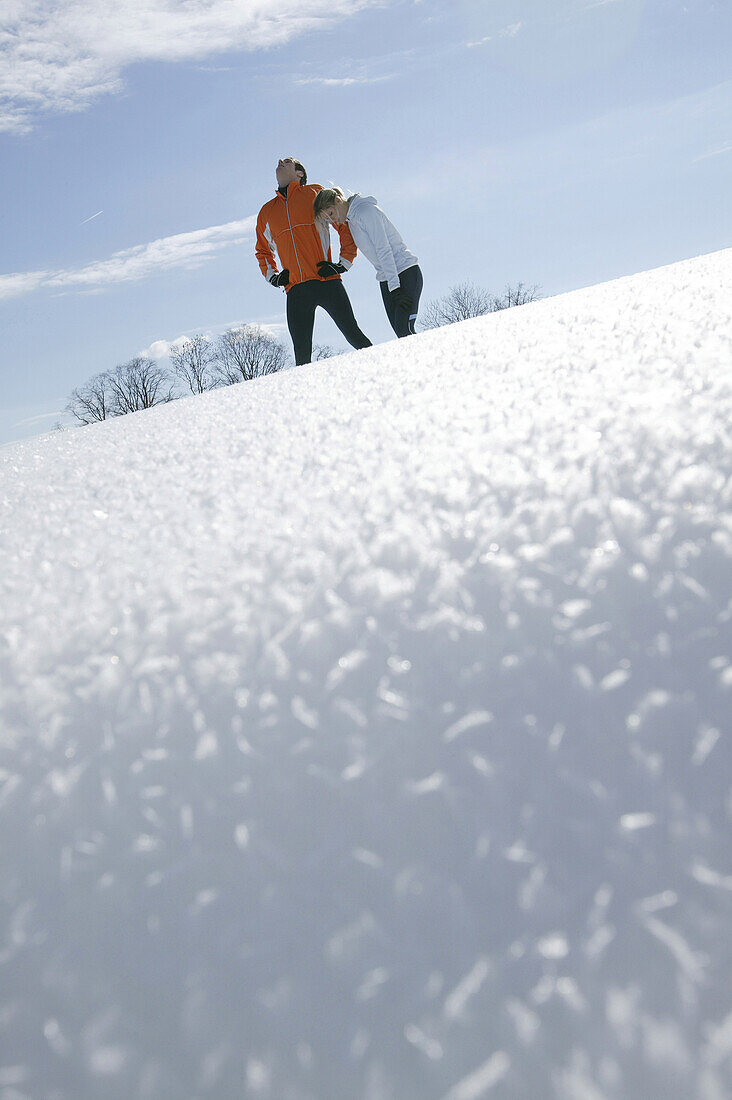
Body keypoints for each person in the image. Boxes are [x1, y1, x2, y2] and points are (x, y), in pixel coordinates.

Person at [255, 158, 372, 366]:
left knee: (354, 335)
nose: (281, 161)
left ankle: (382, 368)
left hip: (327, 281)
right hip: (296, 290)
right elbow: (263, 250)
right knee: (301, 355)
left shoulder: (315, 193)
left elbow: (343, 225)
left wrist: (343, 263)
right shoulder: (267, 211)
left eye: (288, 161)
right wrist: (273, 277)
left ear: (299, 174)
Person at [313, 188, 422, 338]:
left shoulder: (365, 212)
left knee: (405, 330)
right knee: (401, 334)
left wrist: (395, 287)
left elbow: (384, 250)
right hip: (387, 279)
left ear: (338, 200)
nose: (333, 221)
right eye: (328, 220)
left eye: (331, 214)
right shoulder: (351, 220)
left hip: (405, 272)